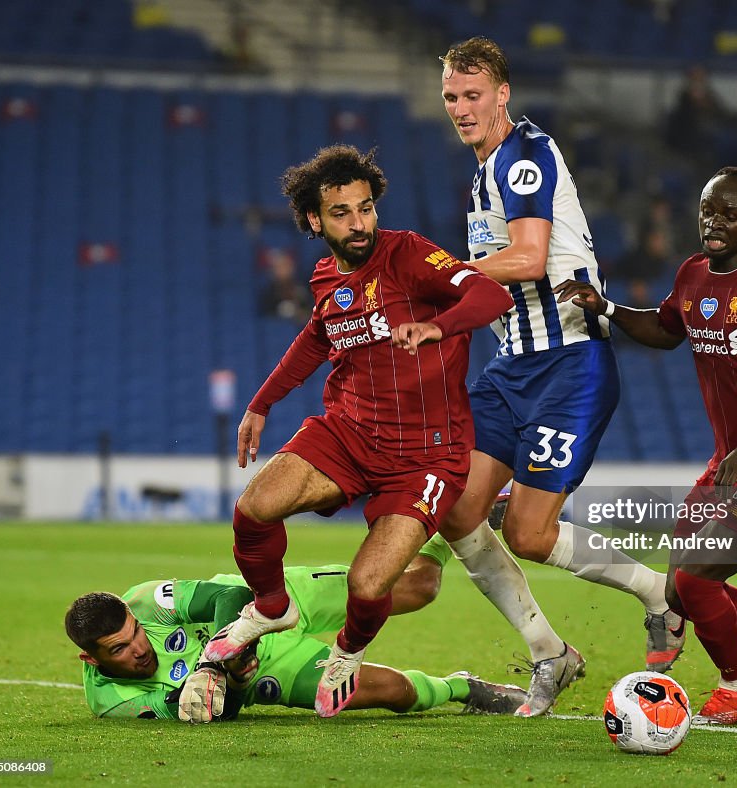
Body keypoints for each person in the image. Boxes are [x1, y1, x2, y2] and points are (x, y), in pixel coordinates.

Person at [200, 145, 514, 718]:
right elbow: (318, 339)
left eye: (365, 208)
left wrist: (437, 328)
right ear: (316, 221)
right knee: (254, 508)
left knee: (368, 588)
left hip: (427, 455)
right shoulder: (325, 277)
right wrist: (261, 403)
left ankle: (348, 651)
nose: (359, 222)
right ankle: (273, 607)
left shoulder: (409, 254)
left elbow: (490, 294)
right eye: (342, 213)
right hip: (349, 433)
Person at [438, 36, 683, 718]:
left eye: (473, 95)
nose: (461, 108)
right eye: (452, 97)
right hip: (513, 365)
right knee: (456, 510)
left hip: (570, 364)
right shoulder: (485, 175)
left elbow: (527, 256)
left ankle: (658, 593)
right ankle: (551, 653)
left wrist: (435, 276)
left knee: (530, 534)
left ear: (502, 94)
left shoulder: (523, 155)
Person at [554, 167, 737, 726]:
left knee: (693, 577)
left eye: (729, 214)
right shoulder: (692, 274)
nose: (714, 223)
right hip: (732, 462)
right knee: (682, 589)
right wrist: (608, 309)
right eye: (708, 210)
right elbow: (667, 330)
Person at [64, 537, 527, 721]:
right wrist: (235, 674)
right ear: (92, 659)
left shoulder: (143, 602)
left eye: (135, 634)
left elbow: (224, 598)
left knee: (419, 588)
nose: (139, 649)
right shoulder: (109, 701)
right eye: (120, 649)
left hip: (272, 604)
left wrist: (215, 658)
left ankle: (449, 530)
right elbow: (208, 712)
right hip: (265, 671)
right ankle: (462, 688)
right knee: (395, 692)